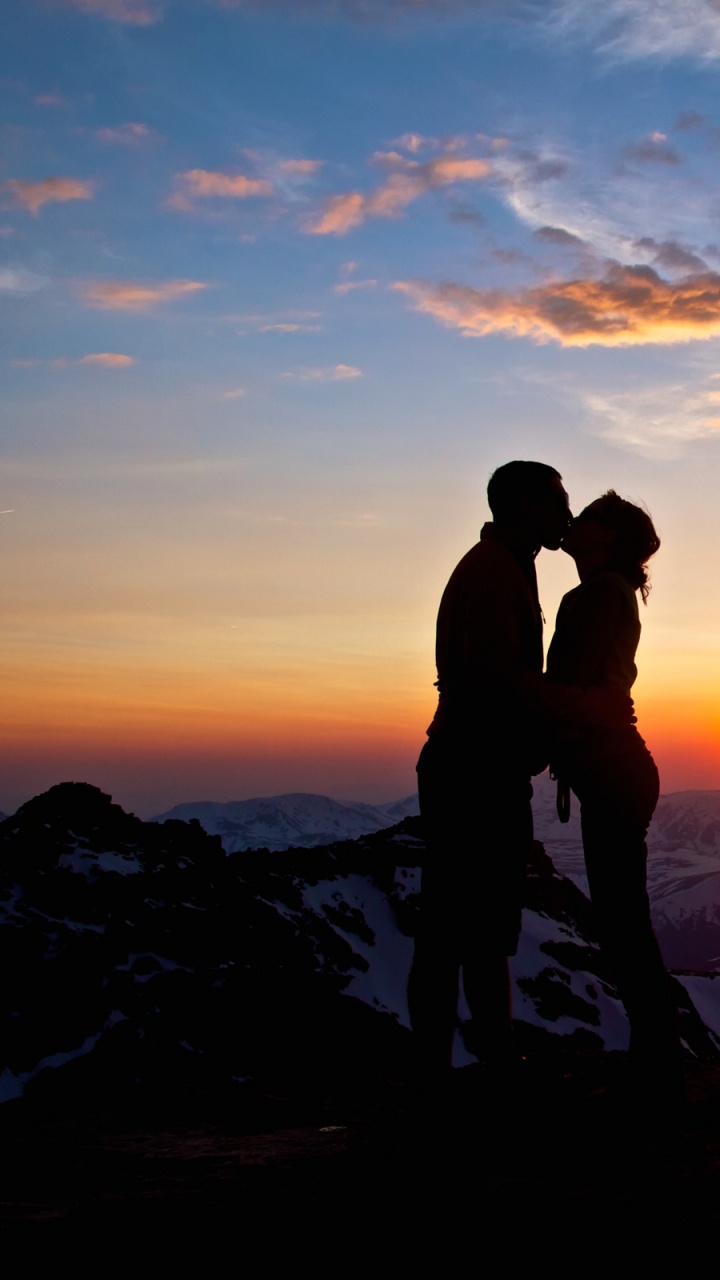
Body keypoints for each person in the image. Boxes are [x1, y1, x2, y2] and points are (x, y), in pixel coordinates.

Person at [408, 461, 622, 1081]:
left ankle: (480, 1061)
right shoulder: (496, 573)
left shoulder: (505, 567)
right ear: (524, 505)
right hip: (473, 769)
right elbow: (499, 681)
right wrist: (586, 707)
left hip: (477, 765)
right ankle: (457, 1067)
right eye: (557, 501)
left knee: (471, 923)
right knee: (458, 924)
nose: (567, 513)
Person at [546, 491, 682, 1100]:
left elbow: (571, 687)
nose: (576, 522)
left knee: (621, 920)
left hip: (610, 767)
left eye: (591, 517)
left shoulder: (596, 595)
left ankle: (657, 1054)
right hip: (616, 769)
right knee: (623, 918)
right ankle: (656, 1051)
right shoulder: (609, 593)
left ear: (608, 538)